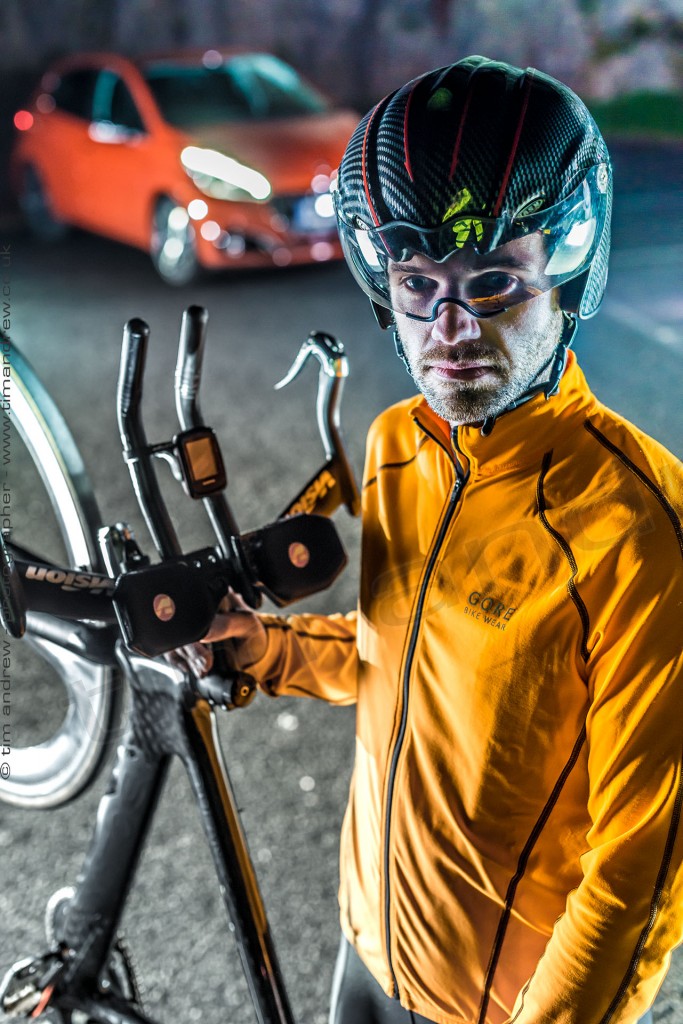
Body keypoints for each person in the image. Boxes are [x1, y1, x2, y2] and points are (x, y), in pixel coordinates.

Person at [201, 56, 683, 1024]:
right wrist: (270, 649)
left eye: (494, 280)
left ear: (566, 275)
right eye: (417, 283)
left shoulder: (635, 526)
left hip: (500, 1004)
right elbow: (404, 657)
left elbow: (642, 866)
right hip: (369, 945)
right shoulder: (394, 447)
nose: (450, 328)